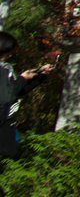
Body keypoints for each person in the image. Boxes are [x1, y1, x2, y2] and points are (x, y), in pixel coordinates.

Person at [0, 31, 53, 160]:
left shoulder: (4, 69)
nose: (9, 55)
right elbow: (6, 96)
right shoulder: (2, 70)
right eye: (8, 51)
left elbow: (14, 92)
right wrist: (23, 79)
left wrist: (38, 77)